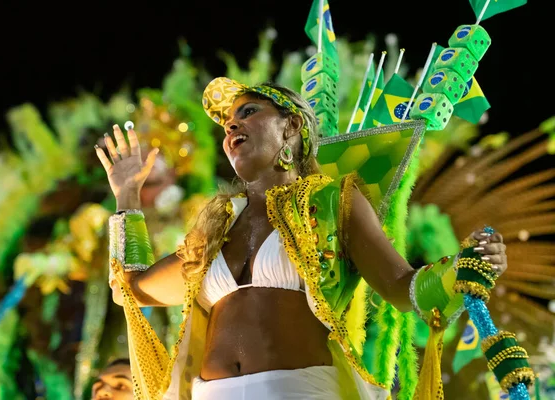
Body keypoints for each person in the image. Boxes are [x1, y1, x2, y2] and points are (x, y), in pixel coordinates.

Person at [94, 77, 508, 400]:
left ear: (291, 124)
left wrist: (462, 269)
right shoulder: (213, 232)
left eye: (249, 111)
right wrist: (127, 194)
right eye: (226, 123)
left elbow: (403, 288)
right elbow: (130, 290)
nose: (231, 125)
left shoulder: (333, 201)